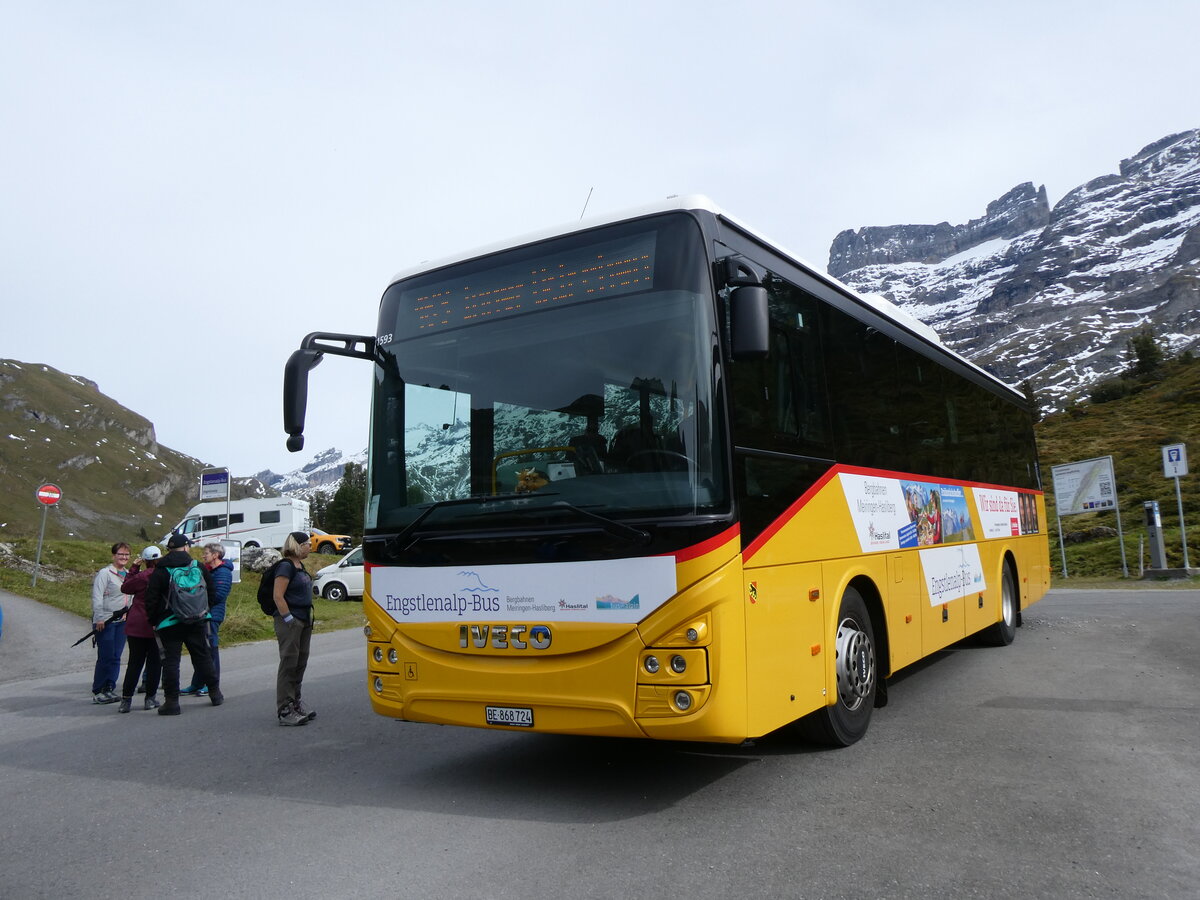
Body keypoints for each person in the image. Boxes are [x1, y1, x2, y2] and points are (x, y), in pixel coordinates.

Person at [144, 534, 222, 716]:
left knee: (171, 662)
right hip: (197, 620)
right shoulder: (197, 566)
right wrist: (204, 611)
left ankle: (172, 703)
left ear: (169, 549)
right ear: (186, 547)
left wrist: (154, 620)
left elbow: (151, 598)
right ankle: (215, 693)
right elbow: (212, 591)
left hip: (169, 622)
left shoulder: (161, 569)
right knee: (202, 656)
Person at [272, 531, 316, 726]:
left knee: (300, 661)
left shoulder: (300, 565)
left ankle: (295, 702)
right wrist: (289, 618)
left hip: (304, 619)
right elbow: (278, 596)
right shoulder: (285, 567)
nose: (310, 546)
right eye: (307, 543)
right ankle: (285, 708)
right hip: (291, 621)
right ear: (297, 545)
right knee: (289, 663)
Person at [180, 543, 232, 696]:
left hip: (212, 615)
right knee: (200, 650)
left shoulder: (223, 572)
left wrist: (198, 601)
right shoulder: (208, 570)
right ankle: (197, 683)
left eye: (206, 553)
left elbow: (218, 595)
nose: (203, 555)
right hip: (202, 614)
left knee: (211, 649)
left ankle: (211, 684)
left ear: (216, 555)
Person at [117, 546, 164, 712]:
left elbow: (125, 588)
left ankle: (126, 701)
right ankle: (150, 699)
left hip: (136, 624)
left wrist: (134, 568)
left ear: (145, 560)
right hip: (157, 624)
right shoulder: (165, 575)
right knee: (154, 663)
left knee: (134, 663)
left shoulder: (142, 576)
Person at [90, 542, 131, 704]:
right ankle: (98, 690)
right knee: (105, 656)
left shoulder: (128, 574)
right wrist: (99, 617)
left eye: (126, 555)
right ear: (114, 555)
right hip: (105, 621)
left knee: (116, 656)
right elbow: (97, 596)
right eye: (121, 554)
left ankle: (109, 688)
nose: (124, 557)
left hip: (121, 621)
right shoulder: (105, 574)